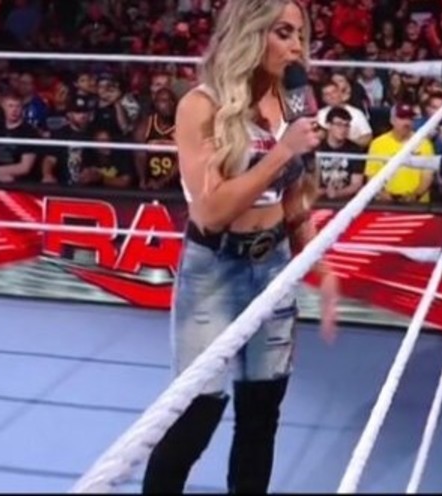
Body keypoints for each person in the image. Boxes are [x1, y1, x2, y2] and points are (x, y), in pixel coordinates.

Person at [141, 1, 340, 493]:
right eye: (283, 32)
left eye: (300, 34)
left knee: (261, 415)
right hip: (215, 266)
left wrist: (319, 267)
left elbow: (295, 197)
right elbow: (210, 211)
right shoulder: (201, 105)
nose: (296, 46)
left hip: (273, 267)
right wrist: (282, 151)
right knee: (195, 416)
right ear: (250, 32)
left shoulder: (291, 101)